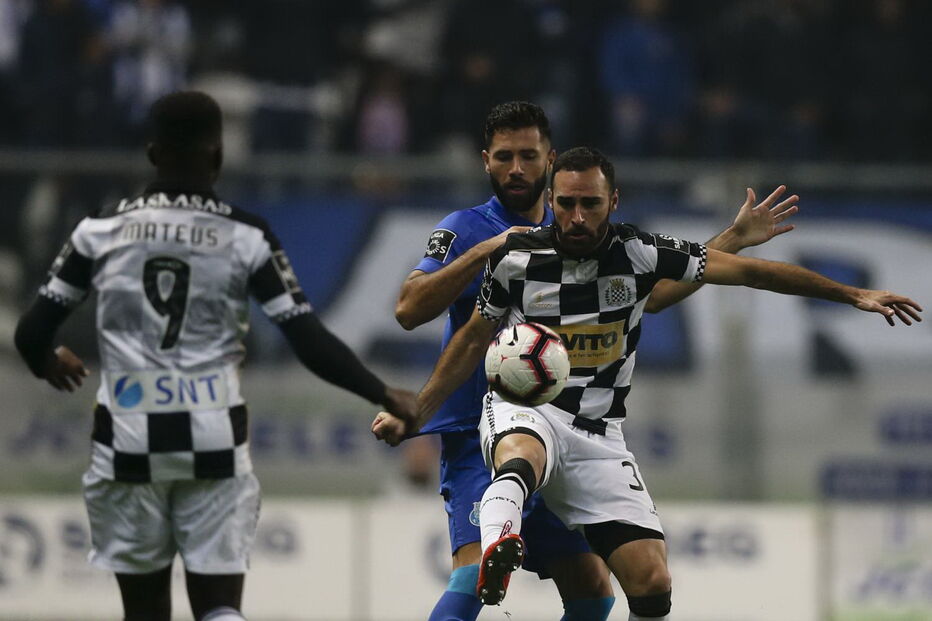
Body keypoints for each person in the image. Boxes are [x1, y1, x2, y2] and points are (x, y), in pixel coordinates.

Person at [382, 146, 922, 619]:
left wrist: (854, 295)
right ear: (552, 198)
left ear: (612, 202)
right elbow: (472, 340)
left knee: (652, 587)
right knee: (521, 453)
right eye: (565, 203)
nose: (575, 216)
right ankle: (503, 539)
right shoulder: (515, 259)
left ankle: (511, 534)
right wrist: (419, 412)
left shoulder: (640, 254)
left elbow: (753, 273)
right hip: (526, 406)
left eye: (589, 204)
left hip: (598, 433)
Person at [13, 91, 416, 621]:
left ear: (153, 154)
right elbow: (306, 337)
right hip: (213, 439)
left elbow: (30, 332)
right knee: (219, 607)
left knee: (144, 611)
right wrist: (383, 392)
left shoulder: (98, 230)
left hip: (127, 441)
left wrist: (48, 360)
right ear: (218, 156)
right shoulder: (245, 235)